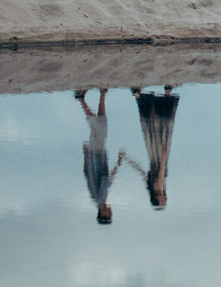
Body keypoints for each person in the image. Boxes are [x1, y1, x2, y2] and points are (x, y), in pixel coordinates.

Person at [75, 88, 126, 225]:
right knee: (99, 125)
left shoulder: (100, 197)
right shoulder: (94, 197)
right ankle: (92, 97)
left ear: (103, 213)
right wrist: (86, 155)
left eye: (109, 214)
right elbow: (86, 173)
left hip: (98, 155)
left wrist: (119, 163)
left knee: (100, 124)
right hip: (93, 155)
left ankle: (84, 98)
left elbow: (107, 179)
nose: (111, 212)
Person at [127, 85, 179, 209]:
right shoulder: (150, 186)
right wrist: (129, 161)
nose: (165, 199)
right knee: (150, 128)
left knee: (163, 126)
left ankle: (167, 91)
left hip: (159, 155)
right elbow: (142, 172)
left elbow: (161, 173)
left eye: (163, 201)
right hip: (152, 153)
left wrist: (164, 157)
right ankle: (138, 96)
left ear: (158, 198)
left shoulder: (158, 186)